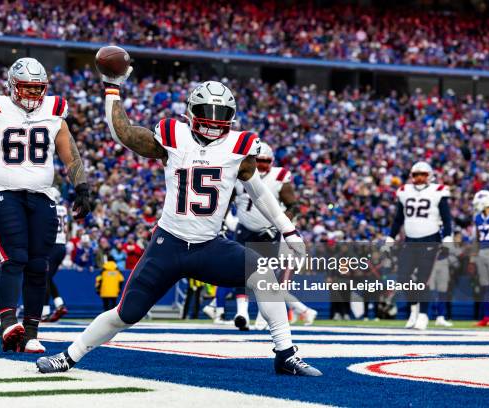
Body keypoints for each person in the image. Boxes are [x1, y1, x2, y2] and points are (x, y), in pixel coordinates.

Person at [37, 66, 321, 376]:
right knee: (125, 313)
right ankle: (68, 356)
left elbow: (259, 191)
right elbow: (125, 133)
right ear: (191, 111)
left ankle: (285, 353)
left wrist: (288, 229)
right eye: (207, 111)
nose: (213, 118)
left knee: (262, 274)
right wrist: (112, 88)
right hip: (168, 245)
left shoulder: (239, 147)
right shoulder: (174, 135)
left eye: (220, 112)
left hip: (210, 246)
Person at [0, 57, 91, 353]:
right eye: (27, 88)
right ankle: (7, 324)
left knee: (38, 265)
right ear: (13, 86)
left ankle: (30, 331)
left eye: (37, 89)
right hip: (4, 192)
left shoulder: (55, 110)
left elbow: (71, 156)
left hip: (42, 195)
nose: (32, 95)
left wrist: (81, 186)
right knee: (15, 256)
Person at [232, 143, 317, 330]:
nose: (260, 166)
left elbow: (293, 206)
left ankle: (267, 317)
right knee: (240, 271)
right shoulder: (237, 171)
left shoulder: (279, 176)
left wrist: (279, 225)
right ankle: (242, 314)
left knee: (265, 276)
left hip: (268, 233)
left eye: (265, 162)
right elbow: (226, 198)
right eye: (257, 161)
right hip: (244, 228)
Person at [385, 161, 453, 330]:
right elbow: (399, 218)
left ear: (429, 176)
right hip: (410, 240)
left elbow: (446, 217)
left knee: (423, 279)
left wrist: (448, 237)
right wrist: (391, 237)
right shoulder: (404, 191)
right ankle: (414, 310)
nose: (420, 178)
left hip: (430, 239)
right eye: (416, 174)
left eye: (423, 174)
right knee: (403, 278)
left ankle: (423, 314)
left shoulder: (438, 191)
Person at [42, 192, 69, 322]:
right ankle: (59, 304)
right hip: (62, 246)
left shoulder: (48, 207)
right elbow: (67, 229)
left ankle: (45, 312)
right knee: (48, 277)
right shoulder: (63, 209)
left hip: (52, 246)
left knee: (44, 277)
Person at [472, 190, 489, 327]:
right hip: (482, 251)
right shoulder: (478, 217)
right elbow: (476, 238)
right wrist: (472, 257)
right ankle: (487, 317)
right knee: (485, 286)